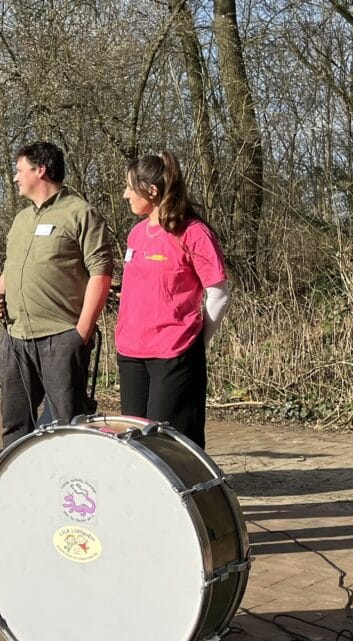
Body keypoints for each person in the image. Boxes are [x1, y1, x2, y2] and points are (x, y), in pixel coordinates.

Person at [0, 141, 114, 448]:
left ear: (40, 170)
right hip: (15, 338)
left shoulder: (81, 213)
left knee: (67, 427)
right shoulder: (21, 219)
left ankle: (70, 492)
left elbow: (101, 273)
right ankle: (21, 491)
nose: (15, 178)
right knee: (15, 425)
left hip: (61, 338)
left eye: (19, 170)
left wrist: (80, 333)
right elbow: (11, 267)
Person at [117, 151, 230, 448]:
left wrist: (195, 343)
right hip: (131, 354)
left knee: (169, 445)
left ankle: (183, 496)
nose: (125, 194)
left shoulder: (194, 232)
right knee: (136, 446)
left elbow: (219, 294)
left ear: (151, 191)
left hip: (174, 355)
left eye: (130, 186)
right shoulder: (136, 234)